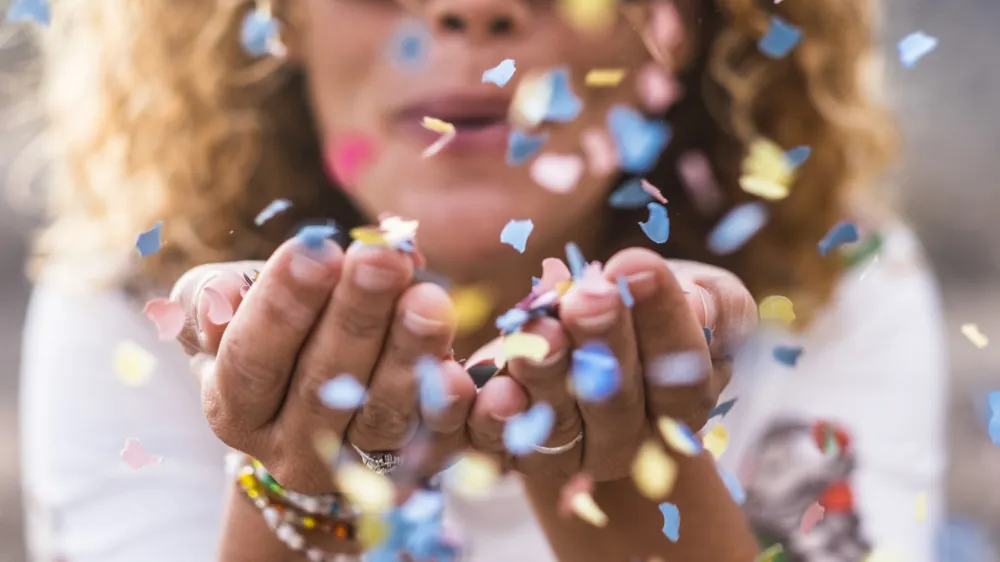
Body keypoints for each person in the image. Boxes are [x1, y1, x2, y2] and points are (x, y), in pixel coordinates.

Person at [17, 0, 946, 561]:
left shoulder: (831, 280)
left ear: (692, 17)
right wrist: (304, 499)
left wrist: (623, 475)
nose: (467, 7)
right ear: (275, 14)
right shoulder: (135, 303)